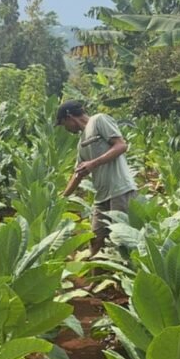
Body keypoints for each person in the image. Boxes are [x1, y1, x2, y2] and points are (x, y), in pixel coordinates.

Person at [56, 100, 136, 256]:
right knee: (95, 238)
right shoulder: (81, 143)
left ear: (69, 117)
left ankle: (126, 278)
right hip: (102, 196)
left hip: (120, 189)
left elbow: (121, 146)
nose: (65, 129)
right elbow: (78, 173)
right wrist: (62, 197)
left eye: (63, 124)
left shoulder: (98, 120)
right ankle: (96, 279)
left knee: (123, 241)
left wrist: (93, 163)